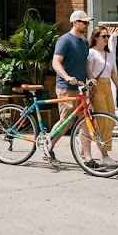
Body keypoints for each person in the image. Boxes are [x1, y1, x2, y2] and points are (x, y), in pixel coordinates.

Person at [47, 10, 93, 163]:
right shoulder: (64, 40)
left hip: (81, 87)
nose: (87, 25)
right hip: (66, 87)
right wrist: (67, 77)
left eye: (88, 22)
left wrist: (91, 78)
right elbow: (56, 62)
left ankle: (87, 158)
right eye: (84, 22)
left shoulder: (84, 42)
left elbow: (86, 63)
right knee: (66, 121)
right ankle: (48, 146)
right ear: (75, 23)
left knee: (86, 121)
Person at [84, 26, 118, 169]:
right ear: (96, 37)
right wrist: (91, 80)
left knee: (111, 119)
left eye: (108, 36)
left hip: (107, 86)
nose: (107, 39)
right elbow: (89, 70)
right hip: (97, 87)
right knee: (102, 121)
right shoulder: (92, 53)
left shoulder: (109, 54)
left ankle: (103, 150)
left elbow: (114, 74)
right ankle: (104, 156)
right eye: (104, 36)